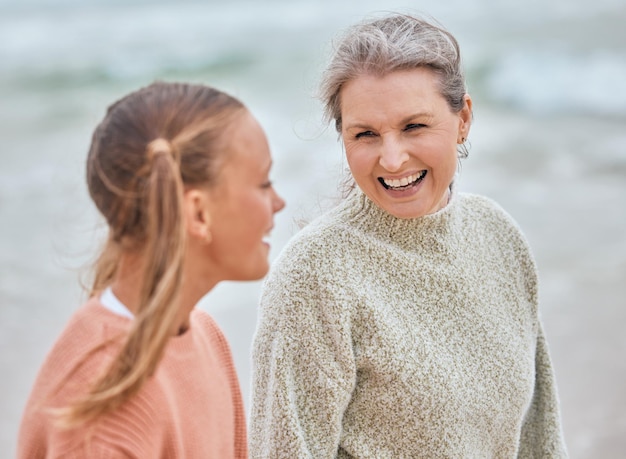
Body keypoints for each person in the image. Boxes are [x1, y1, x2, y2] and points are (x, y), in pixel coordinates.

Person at [250, 13, 567, 458]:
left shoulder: (498, 235)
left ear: (464, 119)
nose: (393, 159)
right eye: (365, 134)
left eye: (414, 126)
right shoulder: (314, 276)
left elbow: (540, 435)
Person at [18, 81, 285, 458]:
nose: (279, 202)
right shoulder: (103, 416)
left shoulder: (205, 335)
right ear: (197, 212)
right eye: (264, 183)